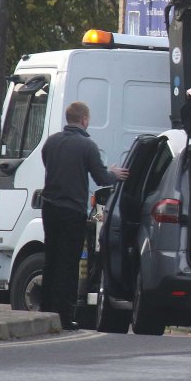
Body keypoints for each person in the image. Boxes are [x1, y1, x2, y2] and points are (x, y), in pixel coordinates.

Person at [41, 101, 128, 330]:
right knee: (68, 263)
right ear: (85, 120)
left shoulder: (51, 142)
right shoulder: (87, 145)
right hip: (72, 210)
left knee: (51, 258)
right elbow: (101, 178)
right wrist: (114, 174)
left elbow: (47, 164)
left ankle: (46, 310)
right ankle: (64, 314)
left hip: (50, 208)